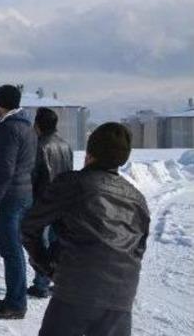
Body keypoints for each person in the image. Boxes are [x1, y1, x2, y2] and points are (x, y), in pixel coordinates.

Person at [23, 123, 149, 336]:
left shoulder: (72, 184)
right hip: (121, 295)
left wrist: (46, 265)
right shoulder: (137, 198)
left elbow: (30, 226)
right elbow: (139, 247)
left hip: (76, 288)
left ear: (90, 153)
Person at [0, 85, 37, 319]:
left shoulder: (9, 130)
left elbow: (4, 171)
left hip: (9, 198)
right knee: (13, 251)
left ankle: (16, 304)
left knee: (11, 252)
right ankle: (13, 295)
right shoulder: (25, 126)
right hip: (22, 195)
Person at [27, 107, 73, 298]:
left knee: (40, 243)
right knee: (59, 243)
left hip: (43, 200)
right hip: (63, 200)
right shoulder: (65, 145)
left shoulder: (39, 146)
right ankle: (59, 280)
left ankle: (41, 283)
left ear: (38, 125)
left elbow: (33, 176)